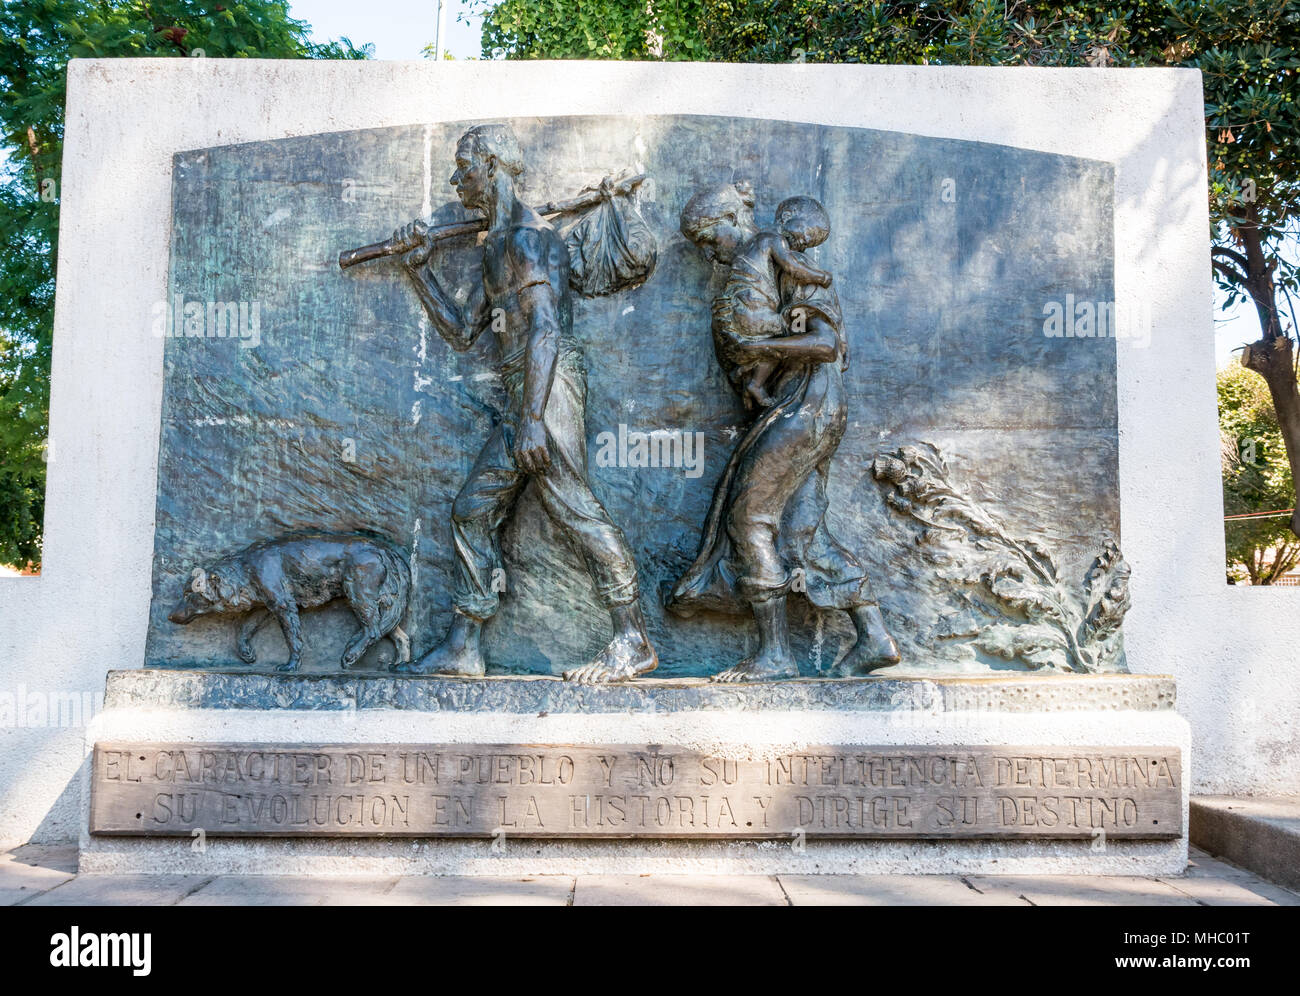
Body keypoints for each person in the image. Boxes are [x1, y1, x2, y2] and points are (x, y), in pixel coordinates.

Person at [389, 123, 657, 684]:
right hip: (523, 390)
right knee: (472, 509)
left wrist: (534, 418)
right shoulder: (500, 245)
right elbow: (465, 332)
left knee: (572, 508)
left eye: (465, 166)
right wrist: (419, 270)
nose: (458, 179)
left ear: (492, 165)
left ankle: (632, 638)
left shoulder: (527, 240)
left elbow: (545, 329)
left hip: (547, 386)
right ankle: (465, 644)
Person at [669, 182, 900, 681]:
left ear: (736, 220)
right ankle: (874, 636)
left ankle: (774, 654)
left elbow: (822, 343)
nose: (712, 255)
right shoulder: (771, 271)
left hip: (809, 404)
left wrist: (759, 342)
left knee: (749, 518)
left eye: (713, 239)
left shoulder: (793, 267)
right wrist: (759, 377)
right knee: (801, 531)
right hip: (804, 405)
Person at [719, 193, 834, 409]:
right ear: (787, 216)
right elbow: (793, 267)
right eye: (810, 232)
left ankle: (748, 373)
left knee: (777, 335)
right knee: (790, 333)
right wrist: (821, 277)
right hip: (751, 309)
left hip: (744, 309)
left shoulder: (758, 243)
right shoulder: (772, 239)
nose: (807, 242)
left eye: (814, 242)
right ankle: (753, 378)